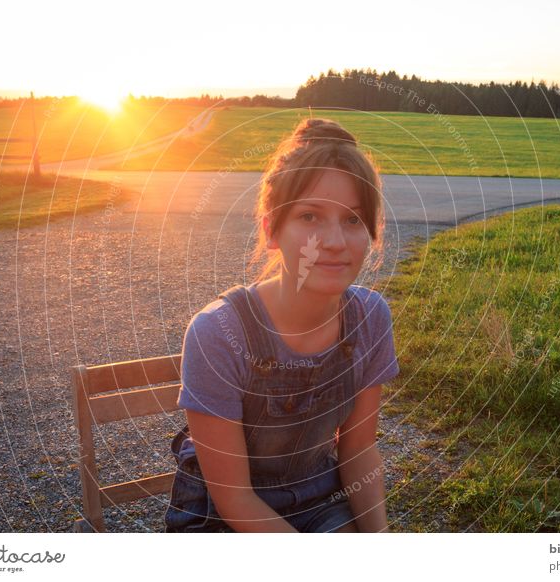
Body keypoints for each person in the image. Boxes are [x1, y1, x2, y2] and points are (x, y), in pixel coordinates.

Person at [164, 117, 400, 533]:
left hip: (318, 503)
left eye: (353, 220)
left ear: (373, 230)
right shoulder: (218, 333)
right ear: (272, 229)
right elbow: (234, 497)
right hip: (221, 519)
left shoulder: (370, 319)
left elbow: (359, 449)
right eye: (310, 217)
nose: (334, 241)